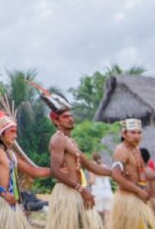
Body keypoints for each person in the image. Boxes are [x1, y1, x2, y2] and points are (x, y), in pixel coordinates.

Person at [0, 81, 50, 229]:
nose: (15, 135)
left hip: (11, 204)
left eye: (16, 131)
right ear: (1, 133)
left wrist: (55, 171)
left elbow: (33, 171)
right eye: (12, 131)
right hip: (0, 204)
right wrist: (3, 193)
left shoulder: (10, 154)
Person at [30, 81, 109, 229]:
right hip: (67, 194)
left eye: (71, 116)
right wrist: (81, 189)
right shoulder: (58, 139)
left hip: (77, 193)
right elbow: (55, 171)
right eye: (65, 117)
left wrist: (114, 173)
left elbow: (91, 166)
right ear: (56, 121)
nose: (70, 119)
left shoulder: (71, 141)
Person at [108, 118, 155, 229]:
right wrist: (138, 190)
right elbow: (116, 175)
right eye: (132, 132)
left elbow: (140, 171)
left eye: (139, 132)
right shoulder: (121, 150)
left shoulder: (136, 148)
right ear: (124, 133)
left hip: (138, 198)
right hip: (128, 199)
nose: (137, 136)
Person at [90, 153, 114, 221]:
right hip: (108, 192)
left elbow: (92, 181)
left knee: (96, 217)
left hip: (98, 193)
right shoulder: (105, 167)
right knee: (108, 216)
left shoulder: (92, 168)